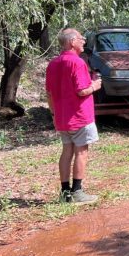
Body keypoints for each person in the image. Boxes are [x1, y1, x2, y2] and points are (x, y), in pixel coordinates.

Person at [46, 28, 102, 204]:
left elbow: (49, 93)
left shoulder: (53, 63)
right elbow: (81, 90)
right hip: (79, 116)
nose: (84, 42)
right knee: (81, 151)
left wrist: (54, 113)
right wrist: (95, 85)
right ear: (71, 42)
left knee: (67, 151)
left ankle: (65, 192)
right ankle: (77, 192)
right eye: (81, 39)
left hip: (62, 117)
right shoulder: (77, 63)